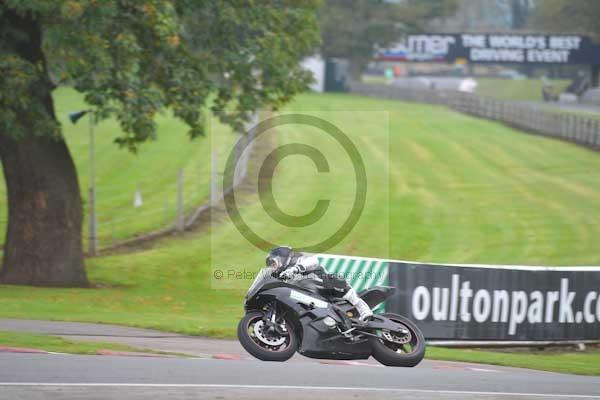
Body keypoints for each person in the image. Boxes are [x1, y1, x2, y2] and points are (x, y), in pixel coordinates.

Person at [265, 246, 373, 321]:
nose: (272, 267)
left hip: (325, 289)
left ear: (281, 258)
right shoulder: (281, 276)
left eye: (273, 263)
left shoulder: (297, 259)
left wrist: (295, 269)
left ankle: (363, 309)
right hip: (310, 300)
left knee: (334, 279)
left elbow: (314, 261)